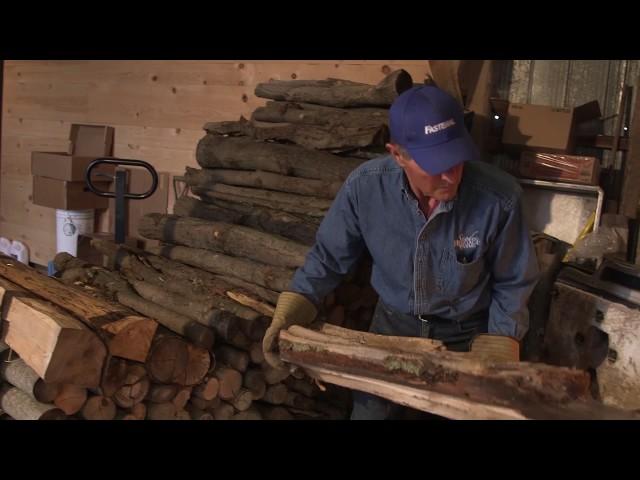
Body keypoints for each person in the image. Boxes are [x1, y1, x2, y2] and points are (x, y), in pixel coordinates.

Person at [262, 84, 540, 420]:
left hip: (464, 334)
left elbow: (514, 280)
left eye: (457, 159)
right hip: (391, 329)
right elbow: (328, 257)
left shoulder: (499, 198)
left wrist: (500, 340)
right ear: (397, 155)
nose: (451, 175)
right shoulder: (365, 188)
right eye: (436, 164)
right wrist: (293, 307)